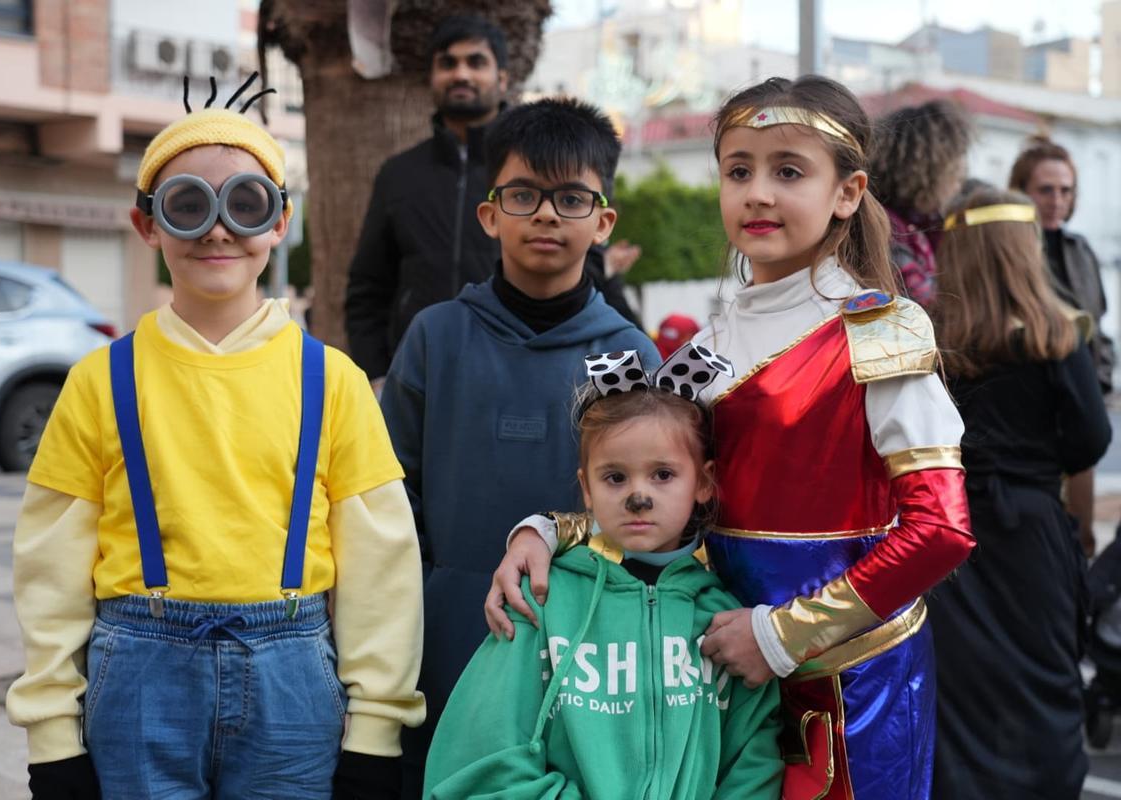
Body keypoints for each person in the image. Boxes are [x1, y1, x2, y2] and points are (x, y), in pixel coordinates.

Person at [485, 75, 975, 800]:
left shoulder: (880, 330)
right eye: (738, 170)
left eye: (788, 171)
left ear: (847, 192)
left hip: (849, 687)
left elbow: (942, 532)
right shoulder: (708, 345)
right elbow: (661, 502)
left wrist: (781, 637)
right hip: (711, 671)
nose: (758, 193)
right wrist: (547, 531)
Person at [5, 78, 424, 799]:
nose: (218, 229)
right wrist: (52, 736)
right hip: (136, 681)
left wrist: (376, 728)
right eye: (188, 206)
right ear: (149, 227)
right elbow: (50, 566)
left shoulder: (336, 382)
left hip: (292, 681)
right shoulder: (101, 381)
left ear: (280, 221)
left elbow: (382, 568)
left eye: (246, 204)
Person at [379, 96, 661, 797]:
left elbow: (647, 518)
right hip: (441, 638)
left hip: (582, 645)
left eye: (571, 198)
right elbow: (388, 502)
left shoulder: (628, 354)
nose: (544, 214)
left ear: (603, 222)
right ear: (490, 213)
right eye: (525, 195)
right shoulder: (436, 337)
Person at [423, 347, 783, 800]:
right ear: (586, 490)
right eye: (615, 477)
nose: (638, 496)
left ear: (704, 483)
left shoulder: (725, 620)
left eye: (663, 474)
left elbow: (753, 766)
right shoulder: (540, 600)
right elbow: (481, 758)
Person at [927, 187, 1111, 799]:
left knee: (962, 686)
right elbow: (1090, 440)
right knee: (1043, 676)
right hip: (1032, 532)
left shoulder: (929, 338)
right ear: (1023, 248)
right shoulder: (1057, 334)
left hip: (949, 534)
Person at [345, 16, 640, 388]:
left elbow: (587, 269)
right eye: (448, 63)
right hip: (422, 372)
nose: (462, 74)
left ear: (502, 78)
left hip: (527, 368)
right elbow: (368, 287)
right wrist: (377, 374)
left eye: (476, 62)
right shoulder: (399, 174)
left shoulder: (547, 164)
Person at [1010, 137, 1113, 555]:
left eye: (1065, 190)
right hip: (1027, 425)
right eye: (1046, 189)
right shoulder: (1010, 251)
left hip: (1078, 415)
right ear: (1022, 192)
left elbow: (1099, 331)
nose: (1057, 200)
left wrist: (1098, 386)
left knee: (1080, 537)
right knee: (1036, 543)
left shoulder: (1080, 250)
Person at [867, 99, 972, 308]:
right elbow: (926, 308)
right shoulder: (888, 230)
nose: (961, 178)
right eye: (955, 169)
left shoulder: (924, 225)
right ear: (927, 170)